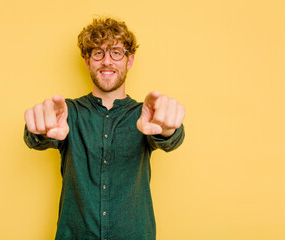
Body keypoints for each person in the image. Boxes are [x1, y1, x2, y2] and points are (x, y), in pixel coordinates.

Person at [23, 17, 185, 240]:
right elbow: (36, 137)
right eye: (98, 52)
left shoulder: (145, 115)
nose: (107, 60)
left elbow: (171, 138)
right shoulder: (68, 113)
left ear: (129, 61)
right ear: (88, 61)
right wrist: (38, 130)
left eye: (116, 52)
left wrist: (168, 129)